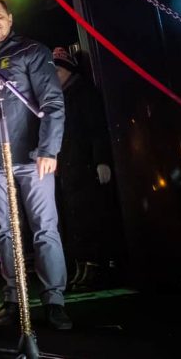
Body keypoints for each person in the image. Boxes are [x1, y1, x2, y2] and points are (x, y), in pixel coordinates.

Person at [0, 0, 72, 330]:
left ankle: (54, 301)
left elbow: (52, 101)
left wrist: (48, 149)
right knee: (6, 232)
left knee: (44, 228)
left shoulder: (32, 51)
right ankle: (14, 299)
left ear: (10, 18)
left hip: (32, 158)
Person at [52, 47, 115, 290]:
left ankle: (93, 266)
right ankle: (81, 266)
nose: (55, 76)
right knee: (74, 218)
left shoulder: (84, 93)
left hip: (85, 164)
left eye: (58, 71)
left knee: (89, 215)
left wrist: (101, 160)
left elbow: (97, 128)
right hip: (69, 165)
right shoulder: (59, 97)